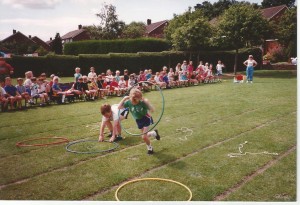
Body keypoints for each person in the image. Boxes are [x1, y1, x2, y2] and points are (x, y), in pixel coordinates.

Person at [118, 88, 160, 155]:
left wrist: (147, 103)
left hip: (146, 118)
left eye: (140, 98)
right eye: (139, 98)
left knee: (144, 137)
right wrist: (124, 98)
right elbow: (119, 107)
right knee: (144, 136)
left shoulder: (142, 102)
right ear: (133, 98)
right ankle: (154, 133)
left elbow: (152, 110)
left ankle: (150, 149)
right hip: (138, 120)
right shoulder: (128, 102)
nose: (140, 99)